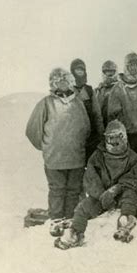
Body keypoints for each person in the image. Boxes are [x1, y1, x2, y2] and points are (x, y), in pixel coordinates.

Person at [52, 120, 137, 249]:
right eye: (110, 138)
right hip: (102, 197)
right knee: (83, 207)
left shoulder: (133, 158)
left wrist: (116, 189)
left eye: (117, 138)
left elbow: (136, 179)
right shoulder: (97, 157)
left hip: (122, 195)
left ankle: (124, 223)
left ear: (124, 137)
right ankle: (75, 233)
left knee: (130, 195)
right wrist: (102, 195)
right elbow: (91, 179)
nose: (113, 142)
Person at [26, 68, 90, 221]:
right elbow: (32, 130)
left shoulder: (78, 103)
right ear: (53, 83)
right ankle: (56, 219)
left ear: (70, 82)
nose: (63, 84)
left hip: (76, 158)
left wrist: (79, 145)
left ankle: (70, 218)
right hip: (54, 158)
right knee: (57, 190)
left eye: (66, 81)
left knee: (74, 190)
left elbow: (86, 128)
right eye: (59, 81)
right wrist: (47, 146)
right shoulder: (46, 103)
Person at [70, 58, 105, 160]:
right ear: (72, 71)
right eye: (77, 69)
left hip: (91, 136)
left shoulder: (89, 90)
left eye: (82, 69)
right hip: (74, 137)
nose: (80, 72)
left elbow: (97, 114)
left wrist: (101, 134)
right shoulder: (68, 90)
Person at [95, 60, 118, 128]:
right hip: (101, 124)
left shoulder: (121, 88)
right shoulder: (98, 90)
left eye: (112, 71)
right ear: (103, 72)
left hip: (116, 125)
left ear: (115, 72)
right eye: (107, 71)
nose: (109, 73)